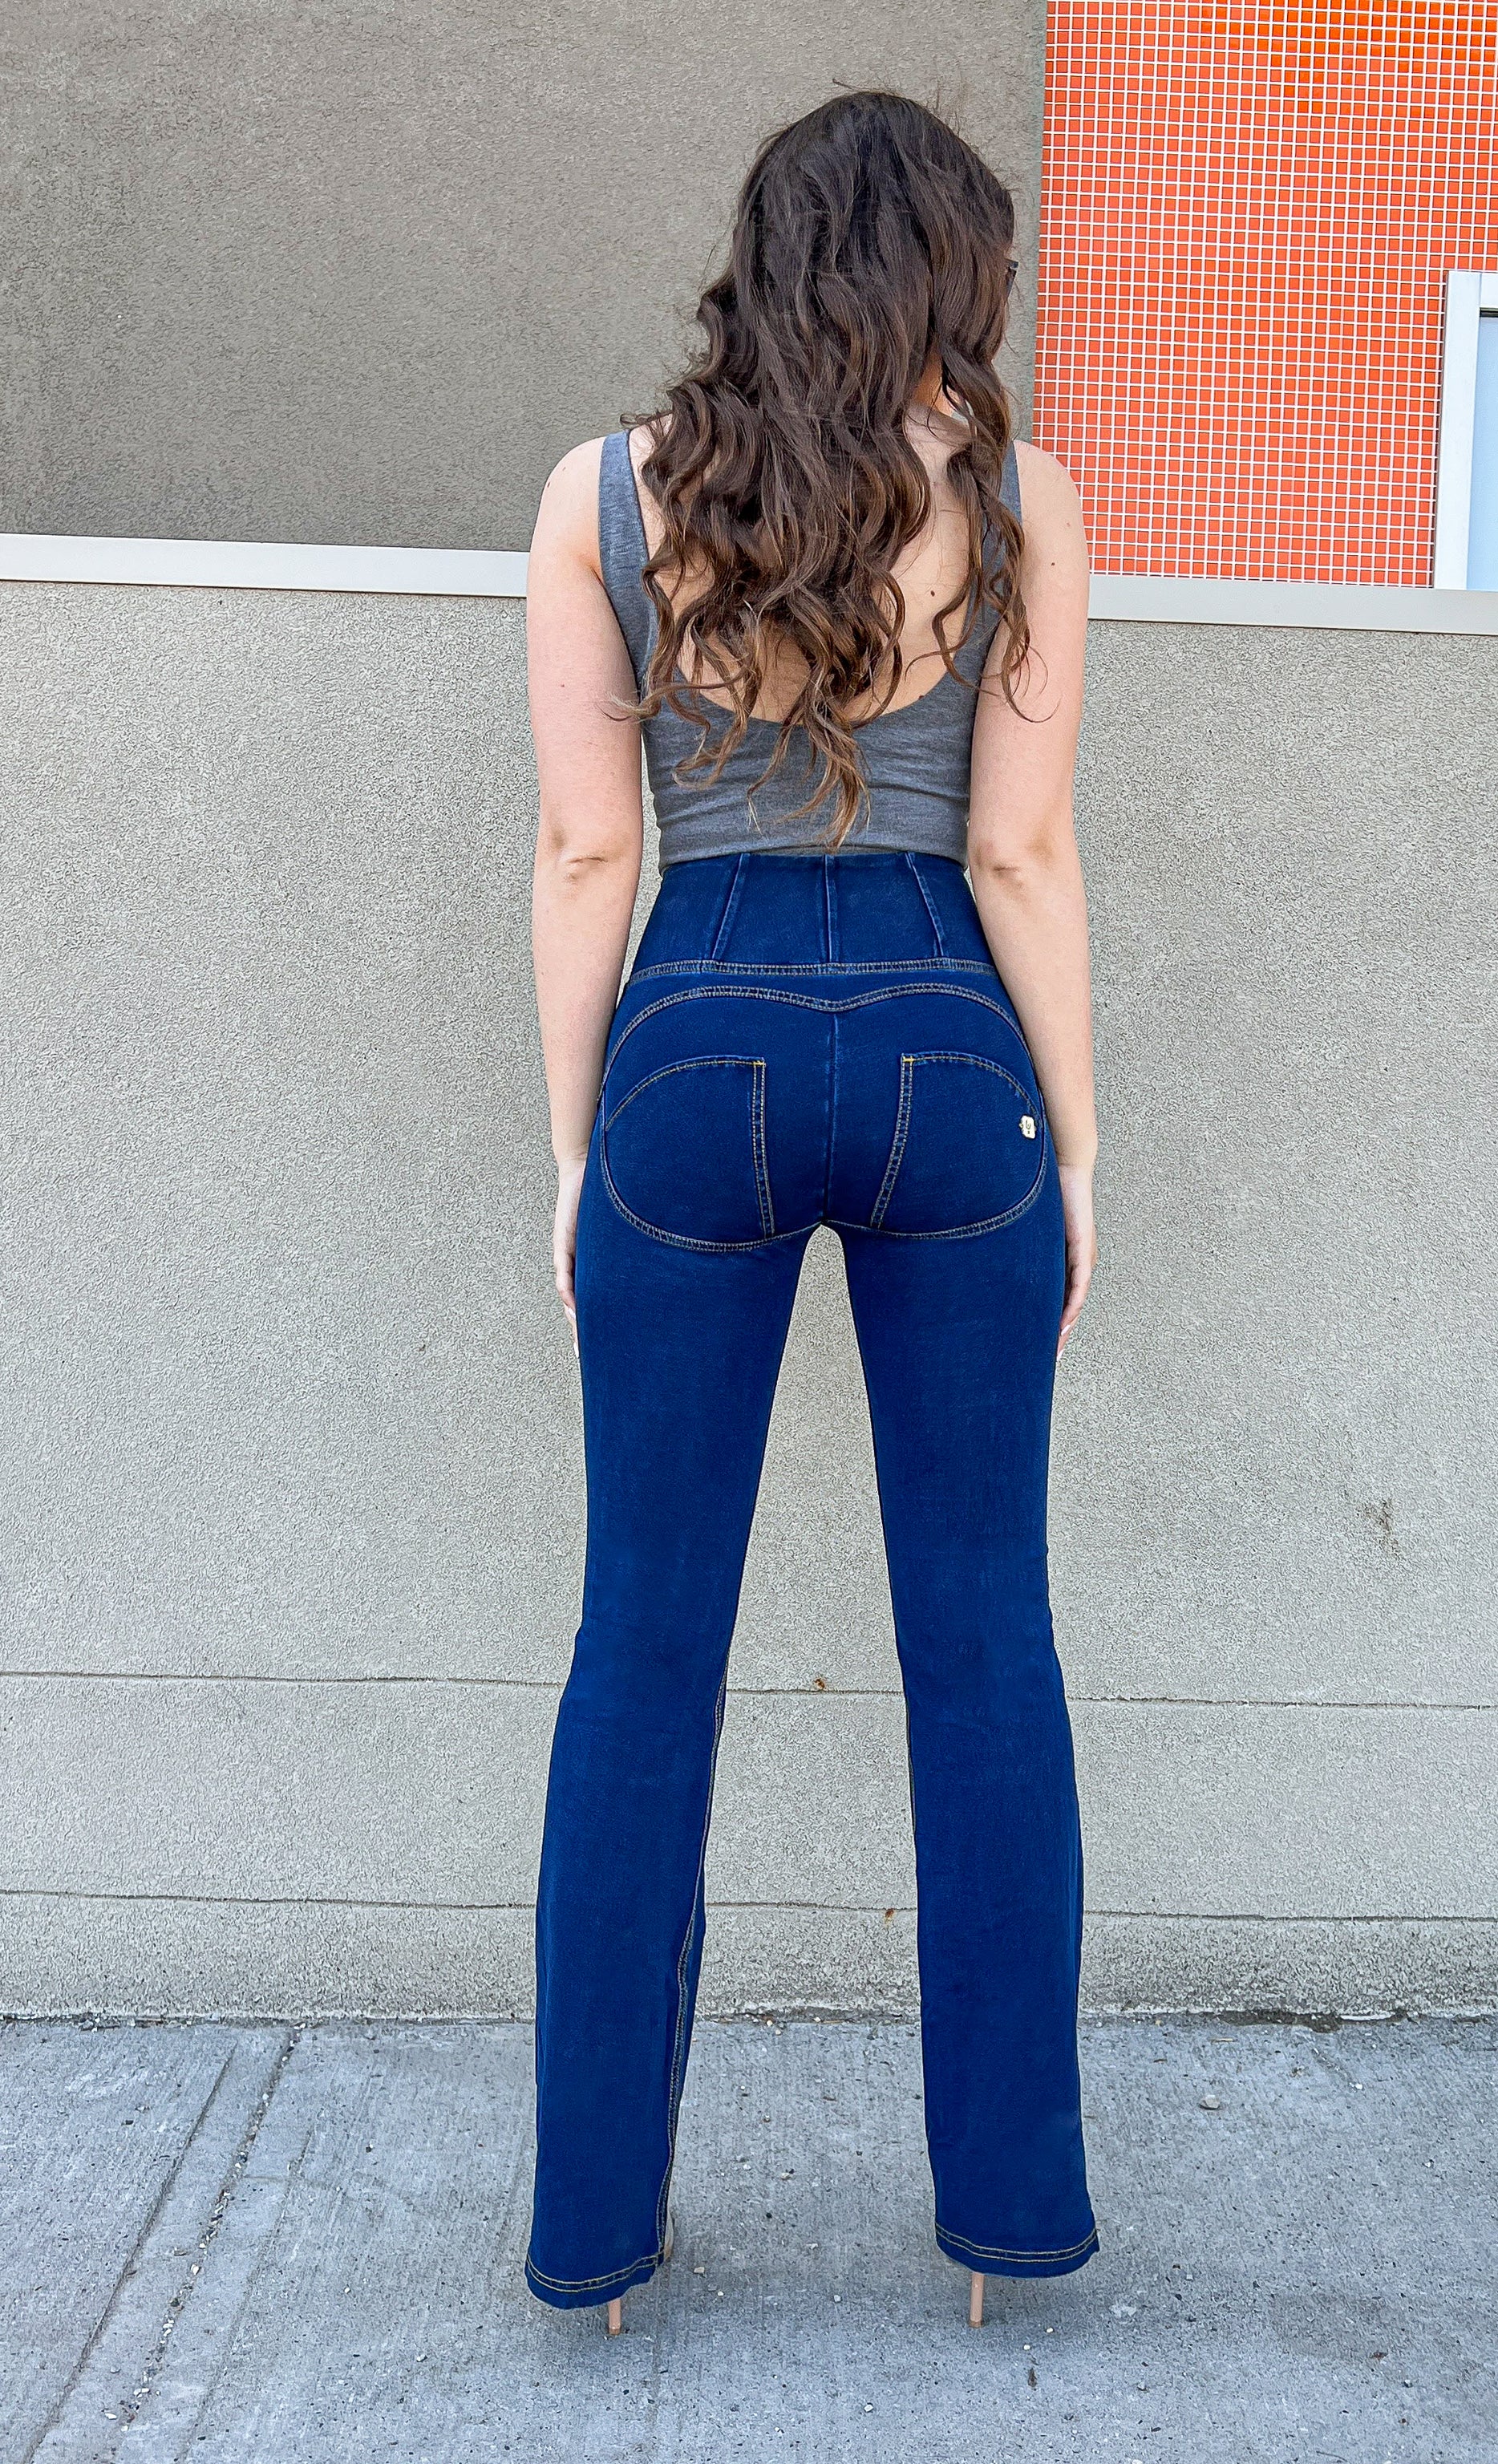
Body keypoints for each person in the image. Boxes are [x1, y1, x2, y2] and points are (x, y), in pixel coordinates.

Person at [521, 87, 1099, 2333]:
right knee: (986, 1643)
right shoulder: (1023, 504)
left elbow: (590, 849)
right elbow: (1019, 851)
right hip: (955, 1051)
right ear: (955, 270)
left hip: (693, 1041)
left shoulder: (606, 496)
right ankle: (1005, 2229)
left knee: (642, 1647)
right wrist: (1082, 1151)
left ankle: (597, 2242)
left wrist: (577, 1151)